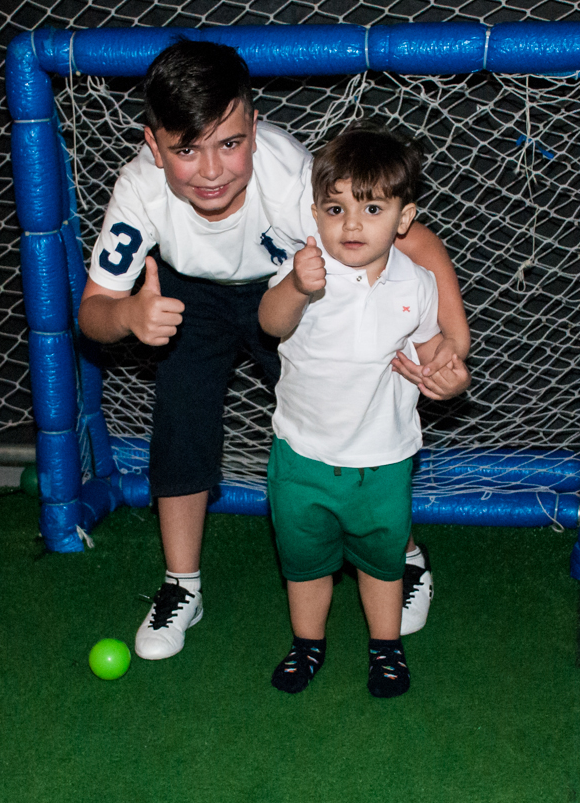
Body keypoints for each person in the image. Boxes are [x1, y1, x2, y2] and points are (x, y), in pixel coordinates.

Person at [77, 40, 470, 661]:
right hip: (188, 293)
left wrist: (455, 340)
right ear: (154, 146)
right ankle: (183, 584)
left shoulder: (287, 176)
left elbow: (414, 240)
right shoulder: (140, 189)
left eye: (230, 143)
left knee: (347, 414)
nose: (212, 170)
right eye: (185, 149)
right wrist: (128, 313)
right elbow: (92, 313)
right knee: (180, 417)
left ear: (255, 128)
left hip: (284, 287)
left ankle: (401, 553)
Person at [259, 121, 468, 697]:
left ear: (404, 219)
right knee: (305, 565)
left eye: (372, 208)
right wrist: (297, 288)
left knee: (381, 566)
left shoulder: (418, 285)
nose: (351, 224)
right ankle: (307, 645)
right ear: (315, 213)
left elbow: (433, 352)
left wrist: (447, 378)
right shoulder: (307, 270)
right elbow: (270, 324)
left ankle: (386, 648)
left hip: (384, 458)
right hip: (302, 455)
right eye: (335, 208)